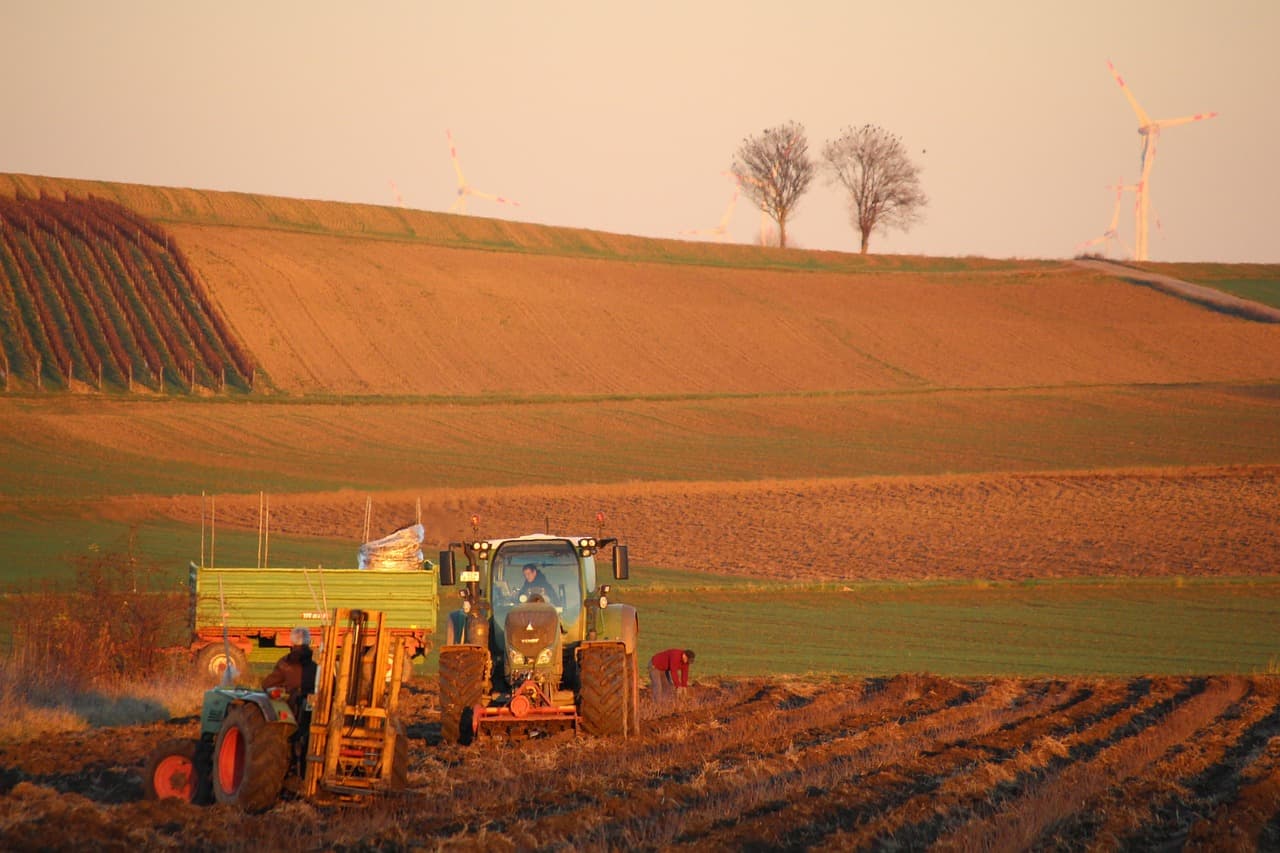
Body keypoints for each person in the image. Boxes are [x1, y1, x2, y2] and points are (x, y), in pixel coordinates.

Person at [263, 626, 318, 775]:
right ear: (309, 642)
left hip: (291, 710)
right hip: (313, 713)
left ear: (292, 642)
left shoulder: (285, 664)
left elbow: (267, 684)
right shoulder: (317, 665)